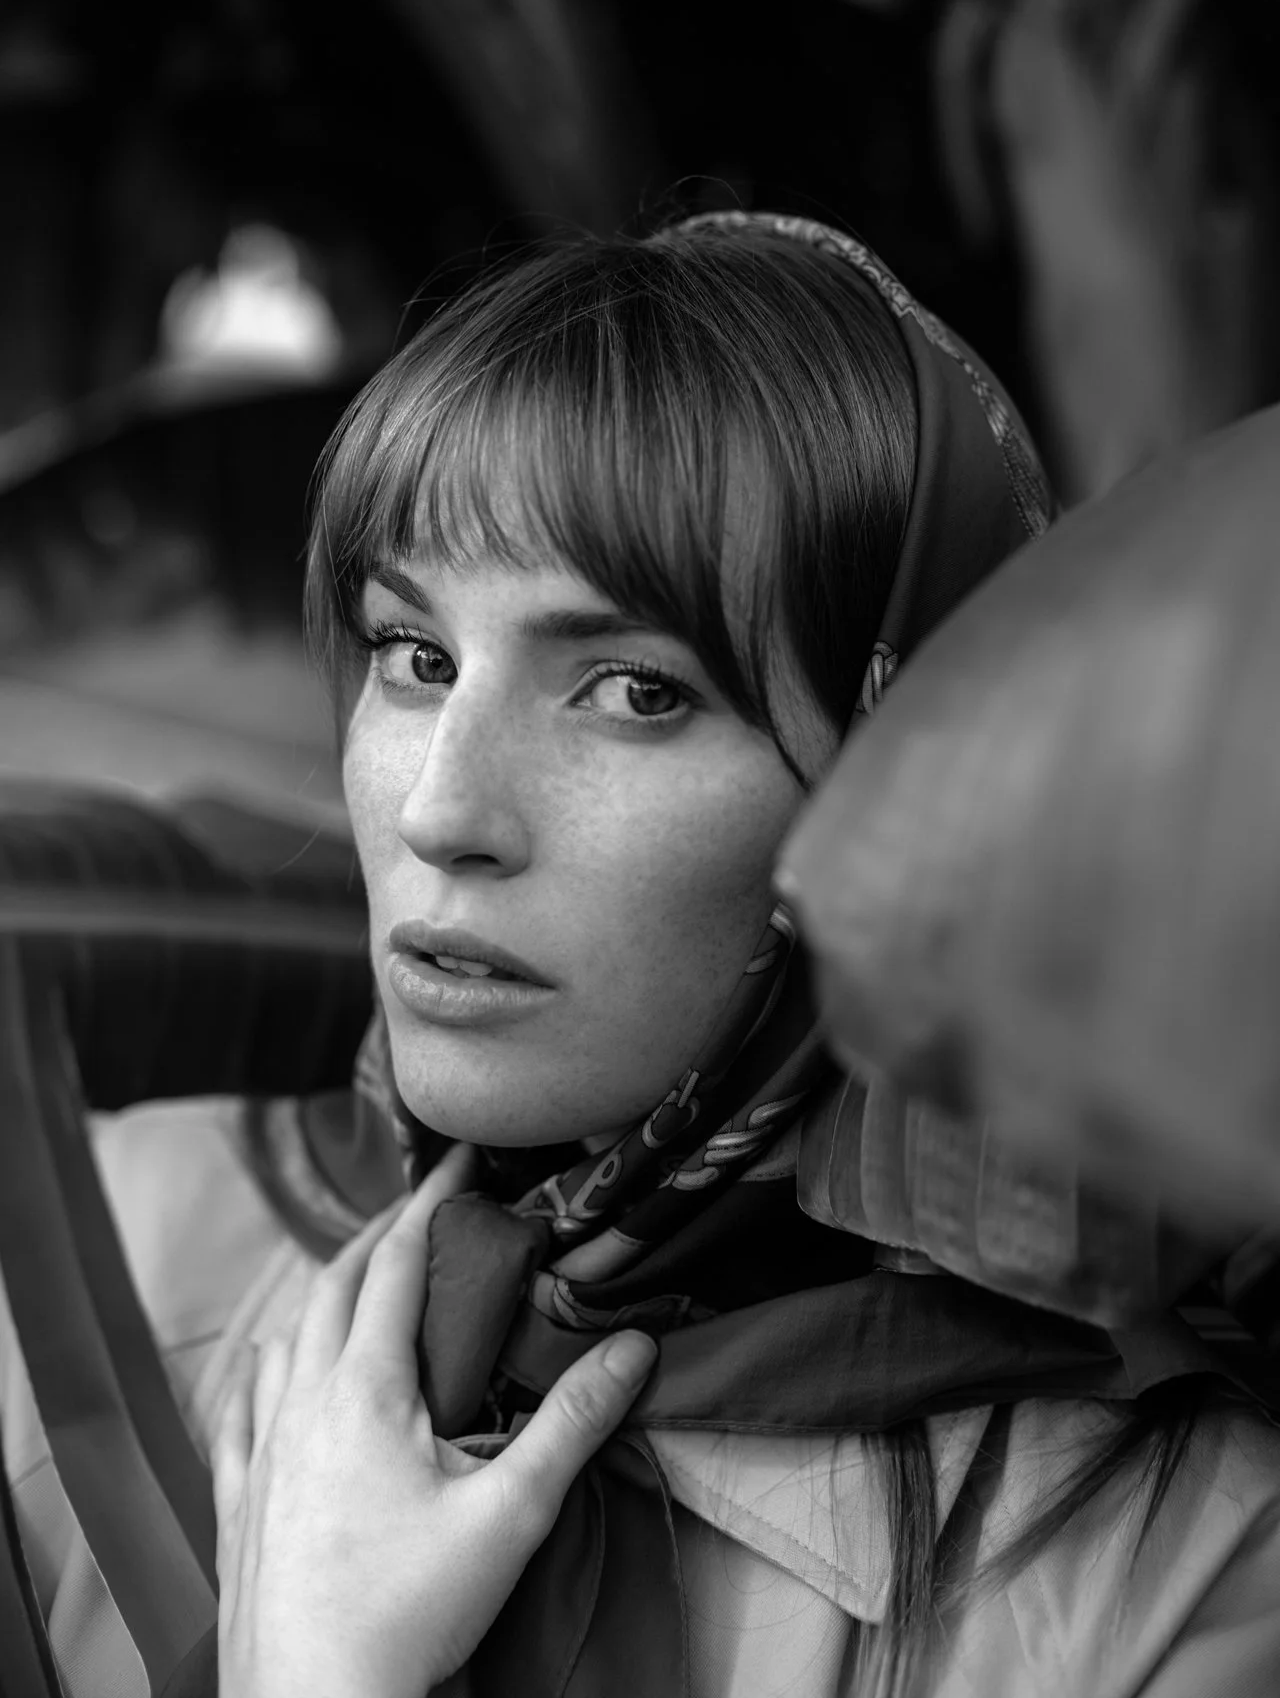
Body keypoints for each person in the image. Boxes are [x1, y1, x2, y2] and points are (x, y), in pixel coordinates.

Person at [74, 215, 1280, 1696]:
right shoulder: (92, 1267)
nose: (445, 808)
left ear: (902, 777)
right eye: (415, 656)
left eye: (636, 691)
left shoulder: (1179, 1571)